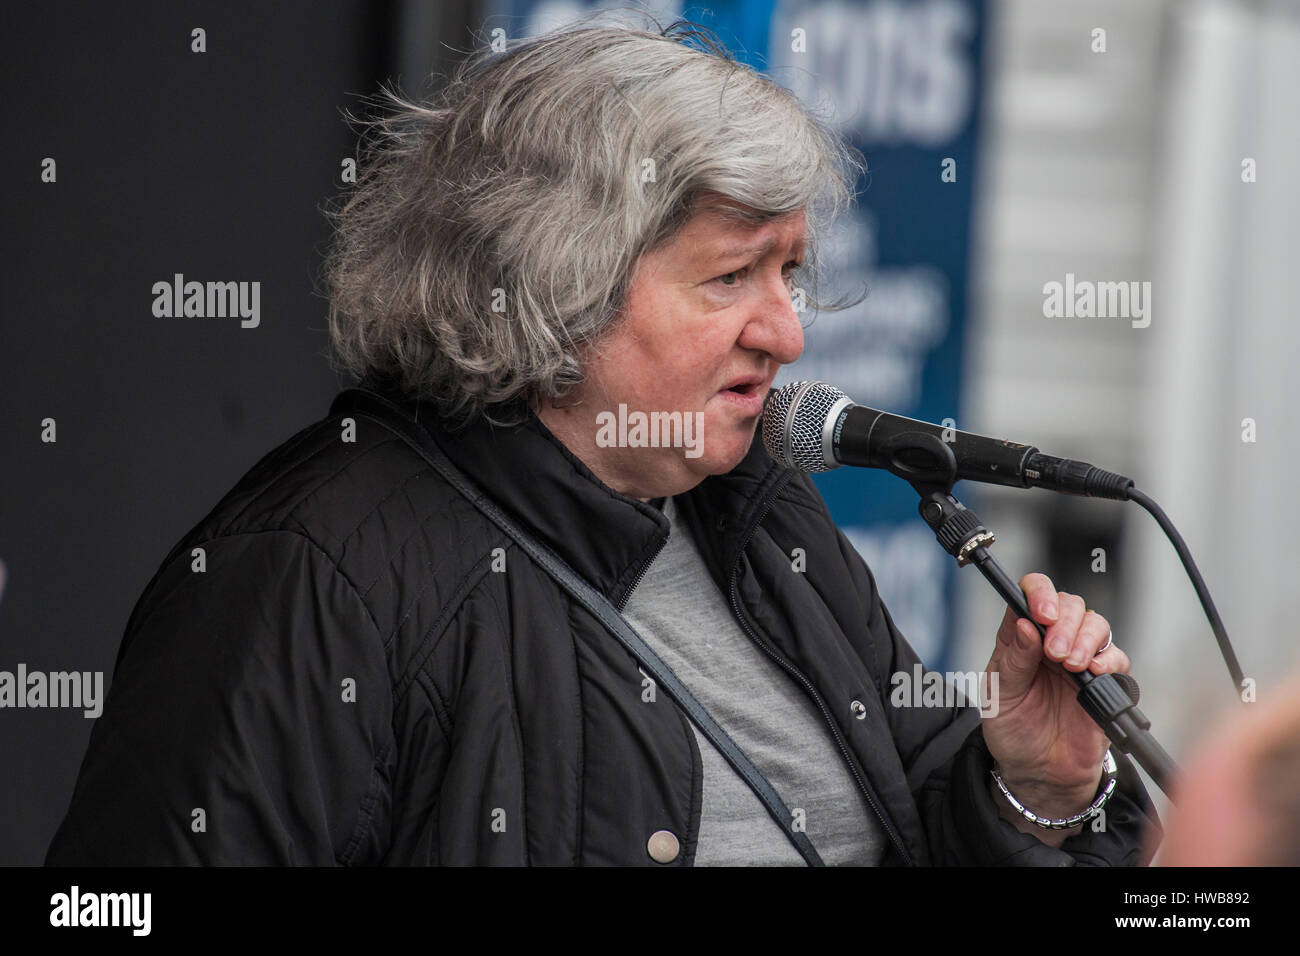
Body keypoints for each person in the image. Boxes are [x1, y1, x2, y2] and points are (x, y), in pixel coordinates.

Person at [46, 21, 1158, 866]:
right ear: (549, 286)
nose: (785, 330)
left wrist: (1030, 785)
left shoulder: (760, 509)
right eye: (729, 276)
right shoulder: (312, 571)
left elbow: (914, 821)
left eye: (789, 272)